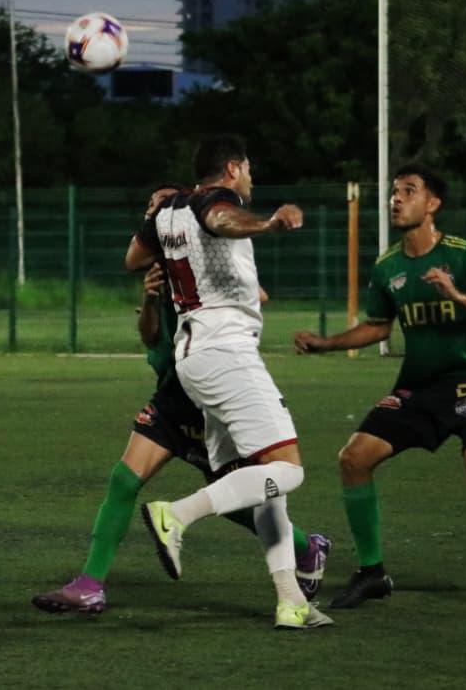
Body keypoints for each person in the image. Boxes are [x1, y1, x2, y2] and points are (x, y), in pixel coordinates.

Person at [32, 185, 331, 616]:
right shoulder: (161, 269)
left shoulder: (199, 261)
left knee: (239, 500)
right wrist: (149, 297)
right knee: (124, 479)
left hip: (211, 394)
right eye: (150, 206)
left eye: (161, 204)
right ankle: (90, 584)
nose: (153, 210)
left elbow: (257, 293)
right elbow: (149, 335)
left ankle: (306, 548)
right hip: (173, 393)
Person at [293, 164, 466, 617]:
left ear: (433, 204)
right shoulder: (388, 266)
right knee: (354, 458)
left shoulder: (464, 255)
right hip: (419, 386)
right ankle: (371, 573)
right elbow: (379, 326)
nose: (396, 199)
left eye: (408, 191)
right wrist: (327, 343)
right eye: (394, 191)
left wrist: (458, 296)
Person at [127, 135, 331, 630]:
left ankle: (290, 600)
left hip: (192, 357)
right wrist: (268, 223)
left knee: (264, 483)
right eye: (249, 169)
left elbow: (134, 257)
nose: (251, 179)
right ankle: (177, 514)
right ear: (234, 168)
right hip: (226, 352)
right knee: (289, 470)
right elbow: (220, 219)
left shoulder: (167, 211)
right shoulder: (215, 201)